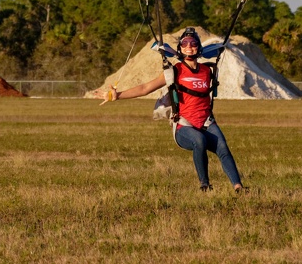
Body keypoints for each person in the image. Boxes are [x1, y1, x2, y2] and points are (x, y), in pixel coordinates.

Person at [99, 27, 243, 192]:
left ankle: (238, 187)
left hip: (206, 121)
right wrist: (117, 95)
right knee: (199, 141)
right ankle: (205, 185)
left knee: (223, 147)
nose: (189, 46)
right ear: (180, 48)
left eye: (193, 43)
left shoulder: (206, 71)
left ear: (199, 47)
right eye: (185, 43)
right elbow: (145, 88)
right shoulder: (175, 70)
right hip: (184, 125)